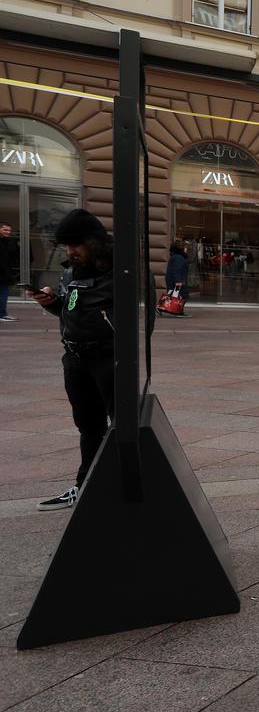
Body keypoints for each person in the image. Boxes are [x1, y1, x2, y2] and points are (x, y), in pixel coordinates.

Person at [28, 210, 116, 510]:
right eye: (67, 245)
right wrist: (53, 303)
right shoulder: (71, 272)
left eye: (77, 244)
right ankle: (85, 485)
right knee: (88, 425)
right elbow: (72, 308)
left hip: (107, 357)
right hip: (76, 357)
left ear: (94, 242)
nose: (71, 251)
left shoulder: (117, 271)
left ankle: (121, 485)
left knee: (122, 423)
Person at [0, 222, 18, 322]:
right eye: (5, 230)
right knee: (3, 293)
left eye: (9, 230)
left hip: (4, 273)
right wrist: (9, 275)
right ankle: (2, 315)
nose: (8, 232)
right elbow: (3, 261)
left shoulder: (6, 242)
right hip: (2, 274)